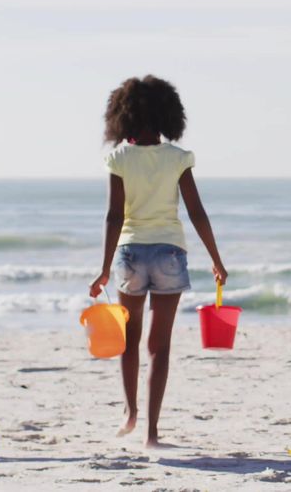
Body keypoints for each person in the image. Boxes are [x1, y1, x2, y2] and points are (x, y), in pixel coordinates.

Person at [89, 75, 228, 448]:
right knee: (159, 346)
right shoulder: (178, 158)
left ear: (123, 115)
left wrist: (104, 270)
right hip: (169, 252)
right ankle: (152, 433)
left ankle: (130, 412)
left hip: (131, 253)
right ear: (169, 114)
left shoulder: (118, 158)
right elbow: (197, 212)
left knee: (129, 340)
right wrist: (216, 259)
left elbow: (113, 217)